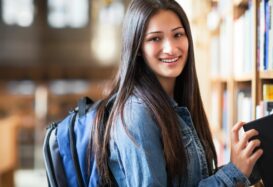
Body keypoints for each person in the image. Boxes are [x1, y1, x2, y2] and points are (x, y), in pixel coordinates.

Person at [92, 0, 263, 186]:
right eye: (155, 38)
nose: (171, 48)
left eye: (178, 35)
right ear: (138, 47)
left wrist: (243, 166)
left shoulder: (176, 101)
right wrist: (233, 173)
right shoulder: (136, 114)